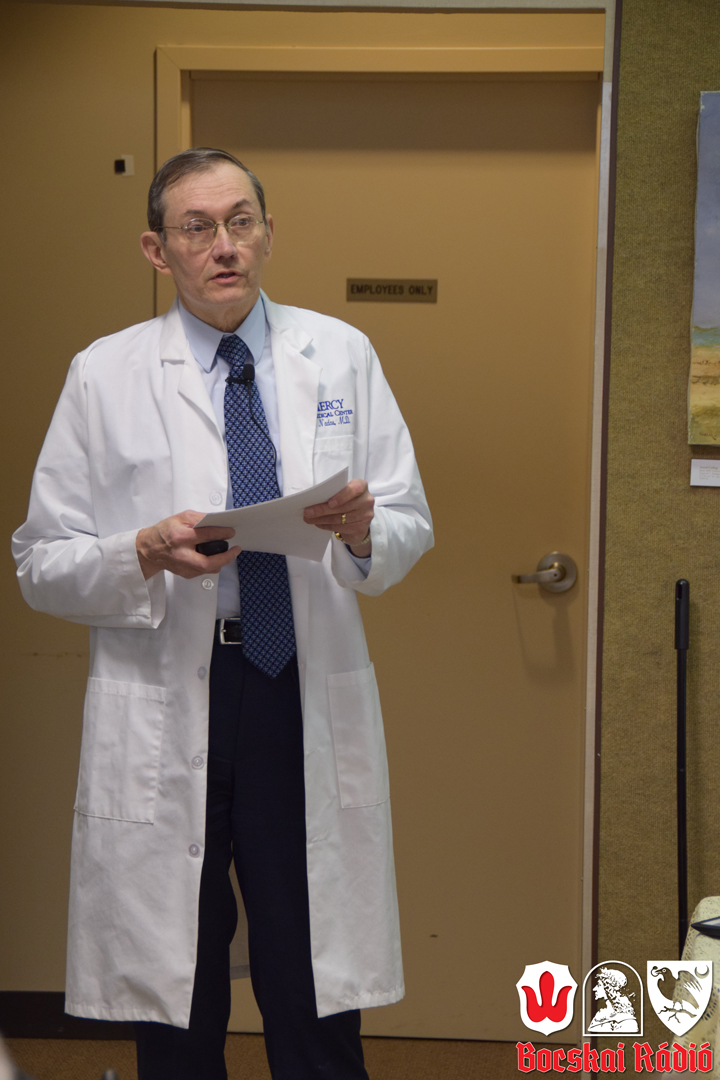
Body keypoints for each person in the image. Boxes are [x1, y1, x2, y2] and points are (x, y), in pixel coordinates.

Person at [12, 147, 433, 1080]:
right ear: (157, 250)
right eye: (197, 228)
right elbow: (41, 562)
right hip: (170, 688)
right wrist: (141, 552)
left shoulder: (341, 354)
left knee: (312, 971)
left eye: (241, 222)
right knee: (178, 979)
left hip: (296, 687)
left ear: (269, 234)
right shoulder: (105, 373)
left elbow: (410, 520)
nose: (224, 246)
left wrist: (365, 529)